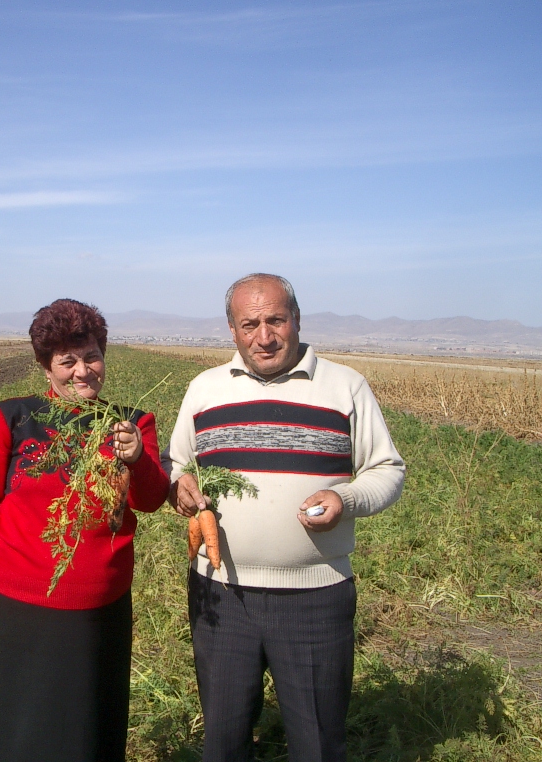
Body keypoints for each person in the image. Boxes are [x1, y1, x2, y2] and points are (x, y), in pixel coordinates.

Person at [167, 273, 405, 762]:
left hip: (316, 596)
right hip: (221, 594)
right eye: (249, 323)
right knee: (225, 738)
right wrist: (179, 487)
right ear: (231, 329)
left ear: (296, 319)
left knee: (317, 740)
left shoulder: (344, 386)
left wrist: (346, 500)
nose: (264, 336)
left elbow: (387, 469)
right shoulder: (205, 389)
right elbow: (176, 466)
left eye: (275, 320)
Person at [0, 298, 170, 762]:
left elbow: (149, 501)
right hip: (18, 608)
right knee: (18, 727)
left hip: (98, 609)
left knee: (87, 730)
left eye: (91, 356)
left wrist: (135, 457)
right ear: (45, 367)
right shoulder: (10, 418)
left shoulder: (131, 423)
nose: (82, 371)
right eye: (66, 361)